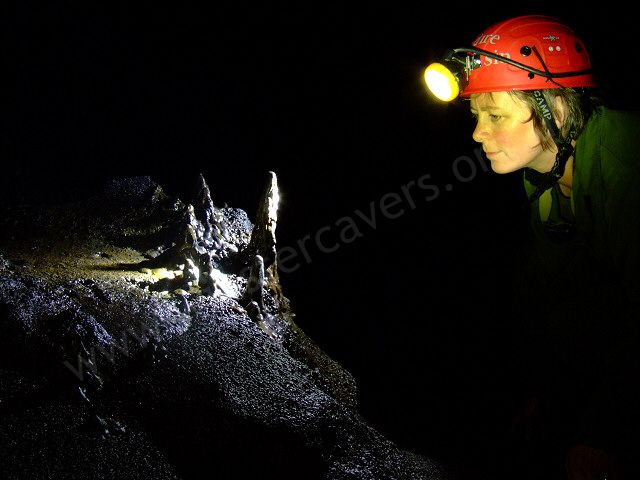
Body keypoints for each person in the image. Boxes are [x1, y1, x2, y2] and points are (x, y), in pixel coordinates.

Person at [424, 15, 640, 480]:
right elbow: (555, 288)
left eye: (495, 115)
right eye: (477, 115)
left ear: (556, 108)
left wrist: (602, 435)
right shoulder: (541, 175)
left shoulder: (627, 160)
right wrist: (542, 389)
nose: (479, 133)